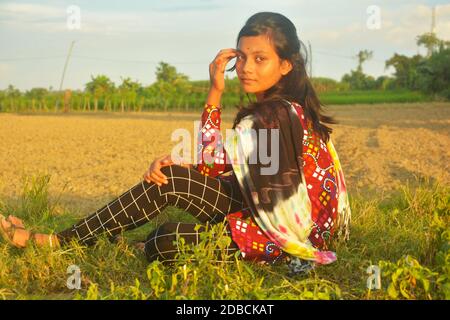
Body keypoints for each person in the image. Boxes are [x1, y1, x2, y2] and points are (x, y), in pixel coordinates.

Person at [0, 12, 351, 274]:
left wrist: (200, 177)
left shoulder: (275, 114)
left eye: (260, 59)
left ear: (286, 65)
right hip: (274, 213)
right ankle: (56, 242)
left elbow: (234, 178)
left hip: (293, 235)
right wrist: (214, 91)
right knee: (172, 179)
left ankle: (111, 241)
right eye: (242, 57)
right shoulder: (278, 108)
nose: (246, 67)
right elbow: (226, 171)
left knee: (164, 239)